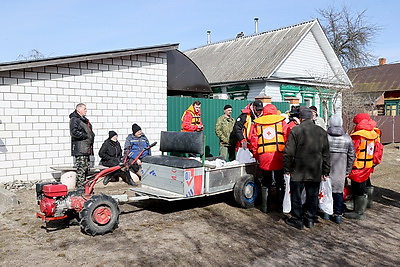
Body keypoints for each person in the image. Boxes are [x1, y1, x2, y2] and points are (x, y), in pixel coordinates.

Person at [283, 107, 330, 230]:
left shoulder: (296, 130)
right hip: (315, 169)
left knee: (296, 195)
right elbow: (326, 153)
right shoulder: (321, 131)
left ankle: (297, 219)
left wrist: (287, 169)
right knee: (312, 195)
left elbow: (289, 153)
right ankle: (310, 218)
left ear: (301, 118)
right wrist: (326, 170)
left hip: (298, 169)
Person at [249, 104, 290, 213]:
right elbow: (287, 138)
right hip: (279, 155)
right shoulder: (282, 122)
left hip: (264, 156)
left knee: (265, 181)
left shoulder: (257, 123)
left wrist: (257, 156)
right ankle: (280, 206)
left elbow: (253, 141)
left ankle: (265, 207)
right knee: (280, 181)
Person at [345, 116, 380, 220]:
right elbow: (378, 149)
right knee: (366, 183)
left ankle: (358, 212)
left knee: (358, 186)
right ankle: (367, 203)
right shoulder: (375, 134)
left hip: (358, 166)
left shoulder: (358, 136)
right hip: (368, 164)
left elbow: (353, 151)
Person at [326, 114, 355, 224]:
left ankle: (326, 212)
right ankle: (338, 214)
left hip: (327, 169)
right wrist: (347, 170)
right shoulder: (347, 139)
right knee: (338, 191)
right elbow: (352, 156)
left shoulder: (325, 137)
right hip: (341, 169)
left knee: (326, 190)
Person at [69, 103, 95, 189]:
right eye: (84, 108)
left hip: (86, 148)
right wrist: (86, 135)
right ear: (78, 110)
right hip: (80, 149)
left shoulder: (84, 120)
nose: (86, 110)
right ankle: (79, 189)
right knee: (81, 170)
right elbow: (74, 132)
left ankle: (84, 188)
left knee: (86, 169)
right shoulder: (74, 119)